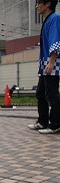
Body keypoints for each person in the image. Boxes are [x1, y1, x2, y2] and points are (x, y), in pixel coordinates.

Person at [28, 0, 60, 134]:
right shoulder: (48, 20)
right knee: (41, 93)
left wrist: (52, 62)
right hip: (45, 63)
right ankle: (43, 121)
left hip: (51, 63)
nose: (36, 6)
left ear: (47, 4)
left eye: (39, 3)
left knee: (52, 94)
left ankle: (56, 124)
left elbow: (56, 41)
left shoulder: (55, 18)